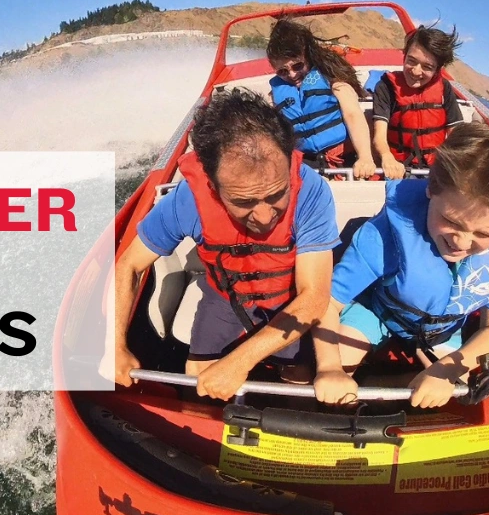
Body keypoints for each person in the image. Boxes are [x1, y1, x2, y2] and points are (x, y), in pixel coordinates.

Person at [104, 89, 339, 400]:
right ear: (212, 185)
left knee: (298, 380)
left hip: (289, 299)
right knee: (200, 384)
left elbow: (314, 297)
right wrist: (115, 345)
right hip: (224, 296)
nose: (265, 216)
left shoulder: (311, 192)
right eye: (244, 201)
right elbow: (129, 265)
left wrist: (238, 362)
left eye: (276, 194)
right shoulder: (187, 199)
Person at [313, 123, 489, 408]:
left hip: (443, 330)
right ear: (431, 190)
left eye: (484, 234)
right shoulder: (383, 237)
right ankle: (365, 388)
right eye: (451, 221)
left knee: (458, 395)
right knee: (336, 369)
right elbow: (327, 302)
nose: (462, 242)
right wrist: (328, 367)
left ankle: (393, 385)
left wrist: (448, 370)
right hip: (380, 312)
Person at [266, 18, 381, 177]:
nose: (292, 75)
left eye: (298, 66)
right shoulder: (276, 93)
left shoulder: (332, 79)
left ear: (308, 57)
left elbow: (353, 114)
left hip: (342, 157)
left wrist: (365, 157)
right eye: (283, 71)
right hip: (304, 163)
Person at [371, 24, 465, 179]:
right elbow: (379, 136)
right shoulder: (386, 86)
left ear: (438, 70)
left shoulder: (444, 88)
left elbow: (457, 134)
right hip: (397, 169)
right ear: (404, 55)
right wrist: (387, 157)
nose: (416, 71)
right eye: (411, 61)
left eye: (427, 67)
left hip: (435, 170)